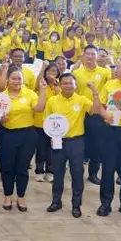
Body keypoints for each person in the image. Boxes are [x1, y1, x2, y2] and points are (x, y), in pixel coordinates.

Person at [44, 73, 99, 218]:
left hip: (76, 142)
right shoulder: (52, 101)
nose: (68, 85)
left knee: (77, 174)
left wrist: (94, 91)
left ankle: (76, 205)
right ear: (60, 84)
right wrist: (51, 136)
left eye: (71, 83)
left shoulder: (81, 100)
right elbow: (47, 120)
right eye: (65, 83)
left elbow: (95, 110)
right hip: (58, 142)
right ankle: (56, 201)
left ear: (75, 85)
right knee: (58, 174)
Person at [0, 66, 46, 211]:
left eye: (19, 78)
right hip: (7, 135)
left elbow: (39, 109)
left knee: (22, 167)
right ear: (7, 80)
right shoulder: (1, 97)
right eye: (13, 78)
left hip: (27, 135)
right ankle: (7, 196)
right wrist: (0, 118)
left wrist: (42, 90)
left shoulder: (30, 94)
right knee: (7, 167)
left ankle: (21, 197)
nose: (17, 81)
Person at [95, 56, 121, 219]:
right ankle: (105, 203)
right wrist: (105, 116)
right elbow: (99, 105)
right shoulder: (110, 84)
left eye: (118, 67)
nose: (115, 70)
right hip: (110, 131)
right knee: (108, 168)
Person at [71, 45, 112, 185]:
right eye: (87, 54)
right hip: (80, 112)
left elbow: (112, 87)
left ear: (97, 56)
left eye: (93, 54)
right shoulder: (77, 73)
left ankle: (93, 173)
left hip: (98, 112)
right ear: (83, 55)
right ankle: (78, 172)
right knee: (80, 143)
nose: (90, 56)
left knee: (97, 144)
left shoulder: (105, 72)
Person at [35, 62, 59, 183]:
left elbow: (60, 99)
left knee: (51, 149)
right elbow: (38, 82)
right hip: (40, 122)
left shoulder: (58, 85)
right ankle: (39, 171)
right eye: (49, 71)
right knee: (40, 149)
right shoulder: (41, 84)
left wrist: (56, 85)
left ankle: (50, 171)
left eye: (54, 71)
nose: (51, 73)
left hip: (54, 123)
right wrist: (43, 67)